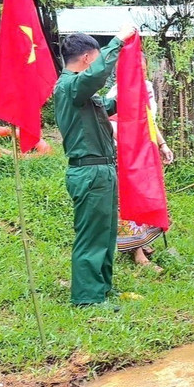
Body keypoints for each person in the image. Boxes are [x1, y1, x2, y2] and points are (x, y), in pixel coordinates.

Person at [54, 25, 136, 307]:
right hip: (89, 171)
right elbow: (98, 76)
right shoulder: (70, 86)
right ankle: (87, 298)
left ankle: (101, 289)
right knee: (92, 236)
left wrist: (132, 90)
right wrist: (118, 41)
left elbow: (107, 106)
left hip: (101, 170)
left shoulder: (81, 92)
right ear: (89, 58)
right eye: (98, 57)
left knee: (106, 232)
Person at [105, 80, 174, 272]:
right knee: (129, 204)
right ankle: (136, 253)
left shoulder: (143, 100)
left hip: (144, 162)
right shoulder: (114, 108)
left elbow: (149, 122)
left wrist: (162, 145)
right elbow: (120, 135)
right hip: (126, 164)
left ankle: (141, 242)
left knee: (146, 201)